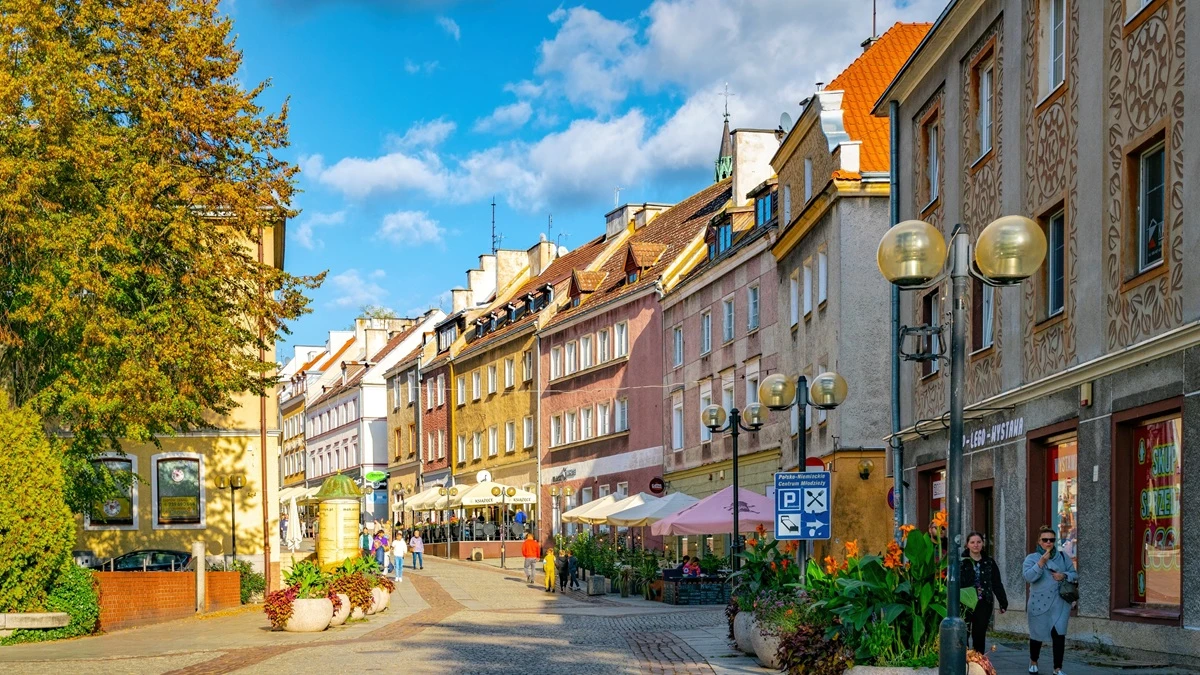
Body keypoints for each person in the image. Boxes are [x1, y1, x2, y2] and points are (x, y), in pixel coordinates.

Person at [1023, 526, 1077, 675]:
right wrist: (1041, 563)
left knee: (1059, 635)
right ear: (1039, 541)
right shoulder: (1031, 558)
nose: (1048, 542)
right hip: (1038, 603)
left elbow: (1074, 574)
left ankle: (1057, 668)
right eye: (1045, 540)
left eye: (1051, 540)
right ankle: (1033, 661)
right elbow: (1028, 577)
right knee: (1037, 634)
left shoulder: (1063, 556)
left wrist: (1064, 575)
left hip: (1060, 602)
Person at [960, 532, 1008, 653]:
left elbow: (996, 583)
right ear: (967, 545)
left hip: (983, 602)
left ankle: (978, 663)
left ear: (983, 544)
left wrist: (1003, 602)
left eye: (978, 542)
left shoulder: (989, 562)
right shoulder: (962, 562)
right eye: (972, 542)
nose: (976, 545)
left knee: (979, 635)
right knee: (963, 633)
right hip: (965, 602)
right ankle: (963, 662)